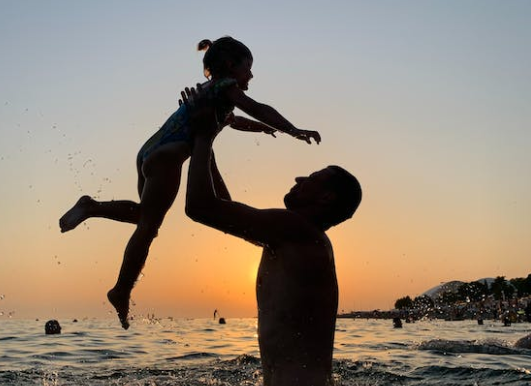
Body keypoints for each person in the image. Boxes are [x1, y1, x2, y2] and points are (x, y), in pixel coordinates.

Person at [59, 36, 320, 330]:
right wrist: (292, 130)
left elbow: (235, 120)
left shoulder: (211, 93)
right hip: (170, 155)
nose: (251, 75)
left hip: (151, 149)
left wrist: (260, 129)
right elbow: (256, 107)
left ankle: (92, 207)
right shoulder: (226, 88)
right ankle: (121, 289)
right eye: (248, 68)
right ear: (231, 66)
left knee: (144, 216)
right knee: (148, 228)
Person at [183, 86, 362, 386]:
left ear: (326, 198)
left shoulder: (299, 231)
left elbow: (200, 207)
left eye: (312, 178)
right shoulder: (292, 240)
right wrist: (207, 147)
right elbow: (224, 209)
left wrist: (202, 135)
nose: (298, 178)